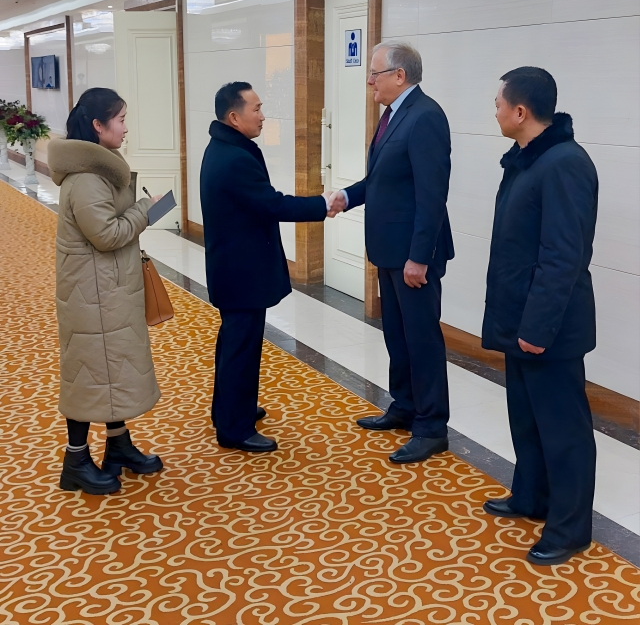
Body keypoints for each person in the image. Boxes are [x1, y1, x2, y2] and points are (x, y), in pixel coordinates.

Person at [481, 67, 598, 566]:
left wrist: (535, 329)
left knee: (563, 429)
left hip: (547, 327)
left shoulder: (564, 164)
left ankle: (570, 528)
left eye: (499, 102)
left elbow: (562, 257)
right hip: (520, 319)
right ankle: (531, 497)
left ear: (521, 112)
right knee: (527, 420)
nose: (495, 109)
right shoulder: (530, 159)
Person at [329, 42, 454, 464]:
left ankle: (432, 426)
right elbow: (382, 180)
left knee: (422, 340)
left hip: (412, 256)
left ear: (399, 76)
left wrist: (419, 256)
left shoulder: (426, 117)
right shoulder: (393, 115)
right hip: (388, 250)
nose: (369, 81)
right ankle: (404, 405)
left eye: (375, 73)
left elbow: (432, 195)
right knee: (397, 336)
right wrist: (347, 195)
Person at [200, 82, 333, 453]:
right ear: (233, 116)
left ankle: (231, 409)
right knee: (240, 347)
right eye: (256, 109)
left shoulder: (225, 148)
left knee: (236, 343)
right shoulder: (234, 158)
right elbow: (272, 205)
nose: (262, 115)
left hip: (235, 266)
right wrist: (322, 204)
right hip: (241, 271)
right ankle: (234, 428)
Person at [48, 88, 164, 495]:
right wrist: (146, 210)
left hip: (103, 291)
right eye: (120, 119)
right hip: (91, 296)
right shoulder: (85, 179)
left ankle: (118, 447)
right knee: (89, 375)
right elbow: (108, 234)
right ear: (98, 126)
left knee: (109, 371)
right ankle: (76, 460)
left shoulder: (98, 171)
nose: (126, 127)